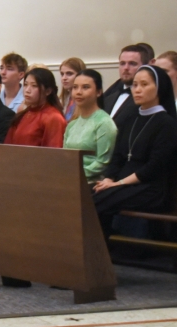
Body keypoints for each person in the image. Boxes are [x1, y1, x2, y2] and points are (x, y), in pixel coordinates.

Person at [93, 65, 177, 237]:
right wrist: (108, 178)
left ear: (159, 87)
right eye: (135, 85)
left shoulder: (167, 124)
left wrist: (118, 184)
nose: (137, 90)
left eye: (144, 85)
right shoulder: (131, 119)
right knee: (88, 193)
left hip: (151, 188)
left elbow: (154, 167)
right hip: (124, 184)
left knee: (96, 201)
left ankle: (95, 252)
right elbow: (117, 157)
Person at [64, 70, 117, 184]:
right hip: (70, 180)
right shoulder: (72, 124)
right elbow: (65, 156)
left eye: (85, 87)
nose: (78, 92)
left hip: (91, 184)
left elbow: (103, 162)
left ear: (98, 92)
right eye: (75, 87)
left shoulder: (104, 123)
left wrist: (76, 175)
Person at [4, 68, 67, 147]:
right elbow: (8, 146)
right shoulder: (23, 114)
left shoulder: (53, 117)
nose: (27, 90)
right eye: (25, 85)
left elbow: (53, 152)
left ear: (48, 91)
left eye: (34, 86)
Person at [103, 45, 151, 127]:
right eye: (122, 63)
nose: (126, 68)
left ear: (145, 66)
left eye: (132, 64)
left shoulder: (147, 99)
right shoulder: (109, 96)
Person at [59, 57, 87, 121]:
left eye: (69, 74)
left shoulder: (85, 100)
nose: (64, 78)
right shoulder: (64, 99)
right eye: (62, 74)